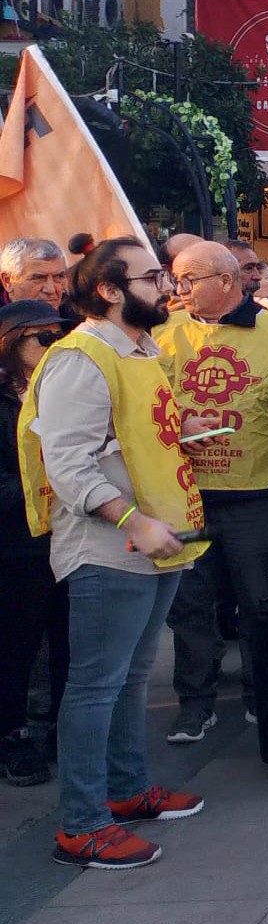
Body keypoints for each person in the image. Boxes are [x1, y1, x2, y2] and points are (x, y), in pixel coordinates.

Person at [22, 239, 207, 868]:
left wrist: (180, 439)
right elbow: (68, 466)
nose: (165, 288)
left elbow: (127, 434)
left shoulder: (139, 349)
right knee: (96, 686)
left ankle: (127, 793)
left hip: (154, 538)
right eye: (152, 278)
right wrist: (133, 518)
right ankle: (82, 824)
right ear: (109, 289)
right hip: (112, 547)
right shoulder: (80, 357)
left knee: (129, 679)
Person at [156, 241, 268, 744]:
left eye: (188, 279)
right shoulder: (161, 335)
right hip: (184, 496)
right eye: (175, 280)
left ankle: (263, 697)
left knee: (259, 603)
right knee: (191, 610)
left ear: (225, 280)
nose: (179, 290)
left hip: (253, 496)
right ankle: (195, 705)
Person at [0, 301, 67, 785]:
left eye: (58, 336)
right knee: (16, 646)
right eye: (42, 338)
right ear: (10, 342)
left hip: (69, 533)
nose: (53, 345)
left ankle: (66, 728)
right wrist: (41, 487)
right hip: (17, 541)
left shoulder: (63, 389)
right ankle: (14, 735)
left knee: (71, 641)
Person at [1, 236, 68, 311]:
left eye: (59, 277)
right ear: (8, 281)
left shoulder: (78, 311)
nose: (51, 290)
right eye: (38, 278)